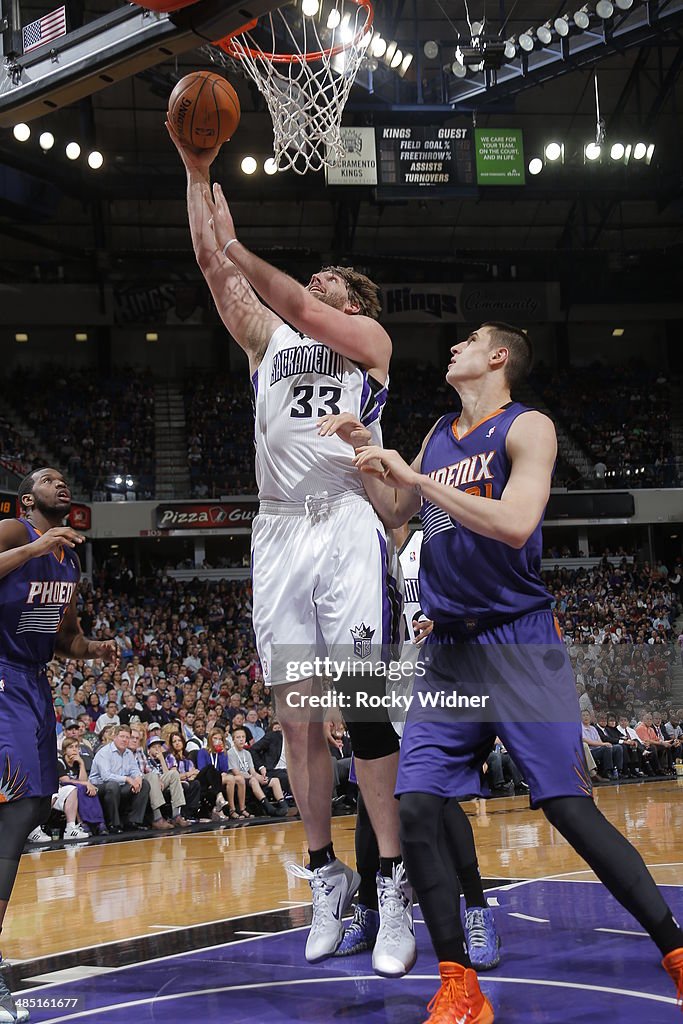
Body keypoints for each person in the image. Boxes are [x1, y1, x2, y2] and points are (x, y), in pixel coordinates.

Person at [353, 322, 683, 1022]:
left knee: (567, 808)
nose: (452, 349)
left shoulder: (528, 427)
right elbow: (397, 512)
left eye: (467, 341)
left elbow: (513, 523)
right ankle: (457, 984)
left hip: (516, 640)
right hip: (446, 652)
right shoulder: (438, 431)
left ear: (496, 357)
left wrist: (415, 480)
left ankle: (675, 952)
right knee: (414, 809)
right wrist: (370, 464)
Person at [169, 124, 413, 974]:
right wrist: (197, 172)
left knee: (363, 708)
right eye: (312, 277)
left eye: (331, 280)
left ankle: (391, 886)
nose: (314, 284)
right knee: (298, 722)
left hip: (344, 521)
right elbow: (214, 270)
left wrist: (241, 240)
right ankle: (324, 875)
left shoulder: (369, 350)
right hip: (277, 529)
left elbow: (297, 302)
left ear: (357, 305)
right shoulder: (269, 345)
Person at [0, 467, 118, 1022]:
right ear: (28, 499)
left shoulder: (67, 561)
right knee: (19, 803)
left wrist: (95, 648)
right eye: (49, 479)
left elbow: (64, 637)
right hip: (1, 675)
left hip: (32, 681)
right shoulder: (16, 532)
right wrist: (35, 545)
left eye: (65, 479)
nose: (62, 483)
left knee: (29, 807)